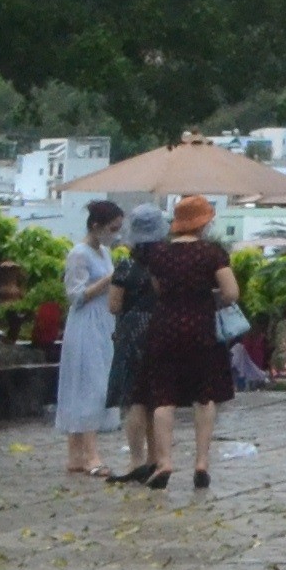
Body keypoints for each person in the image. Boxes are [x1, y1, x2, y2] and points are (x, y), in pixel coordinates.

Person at [130, 197, 239, 493]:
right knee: (204, 397)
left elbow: (158, 289)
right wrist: (207, 294)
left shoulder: (159, 254)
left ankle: (164, 461)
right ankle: (201, 462)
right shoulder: (211, 253)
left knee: (163, 397)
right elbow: (231, 293)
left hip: (164, 327)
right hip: (201, 327)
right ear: (203, 222)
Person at [54, 200, 123, 479]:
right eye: (112, 228)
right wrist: (110, 279)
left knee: (98, 382)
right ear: (96, 226)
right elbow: (76, 296)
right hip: (85, 324)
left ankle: (76, 455)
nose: (115, 234)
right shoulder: (79, 254)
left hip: (104, 322)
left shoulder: (105, 252)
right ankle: (90, 454)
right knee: (89, 385)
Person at [108, 206, 170, 485]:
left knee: (134, 397)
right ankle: (157, 458)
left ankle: (136, 461)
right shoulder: (167, 266)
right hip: (161, 330)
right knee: (157, 397)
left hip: (131, 332)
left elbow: (113, 305)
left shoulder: (126, 267)